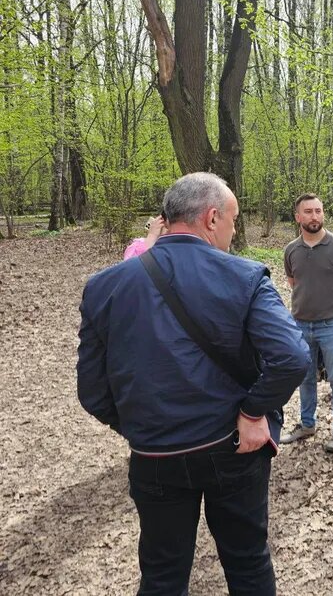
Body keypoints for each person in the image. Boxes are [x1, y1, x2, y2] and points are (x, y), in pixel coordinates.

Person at [77, 172, 310, 595]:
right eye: (234, 220)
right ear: (211, 217)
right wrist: (252, 411)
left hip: (154, 456)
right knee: (248, 565)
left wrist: (141, 428)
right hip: (235, 447)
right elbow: (292, 357)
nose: (234, 230)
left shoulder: (103, 287)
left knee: (162, 577)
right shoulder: (246, 277)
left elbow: (92, 392)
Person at [281, 193, 333, 454]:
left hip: (332, 325)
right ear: (298, 217)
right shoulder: (291, 250)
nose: (314, 216)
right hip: (301, 325)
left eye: (318, 211)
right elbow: (294, 283)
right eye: (308, 212)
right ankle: (306, 424)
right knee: (306, 378)